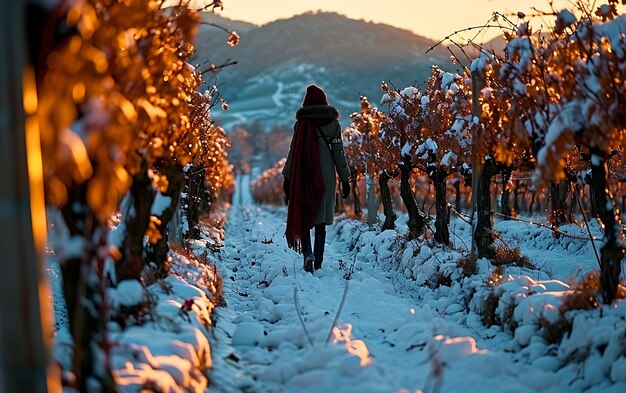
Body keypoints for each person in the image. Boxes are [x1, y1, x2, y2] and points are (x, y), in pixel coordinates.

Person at [283, 84, 350, 273]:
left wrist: (288, 177)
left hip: (304, 173)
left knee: (305, 213)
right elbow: (339, 153)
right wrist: (345, 179)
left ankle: (308, 254)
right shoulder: (333, 124)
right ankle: (319, 260)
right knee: (321, 220)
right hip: (326, 174)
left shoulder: (301, 124)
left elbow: (293, 152)